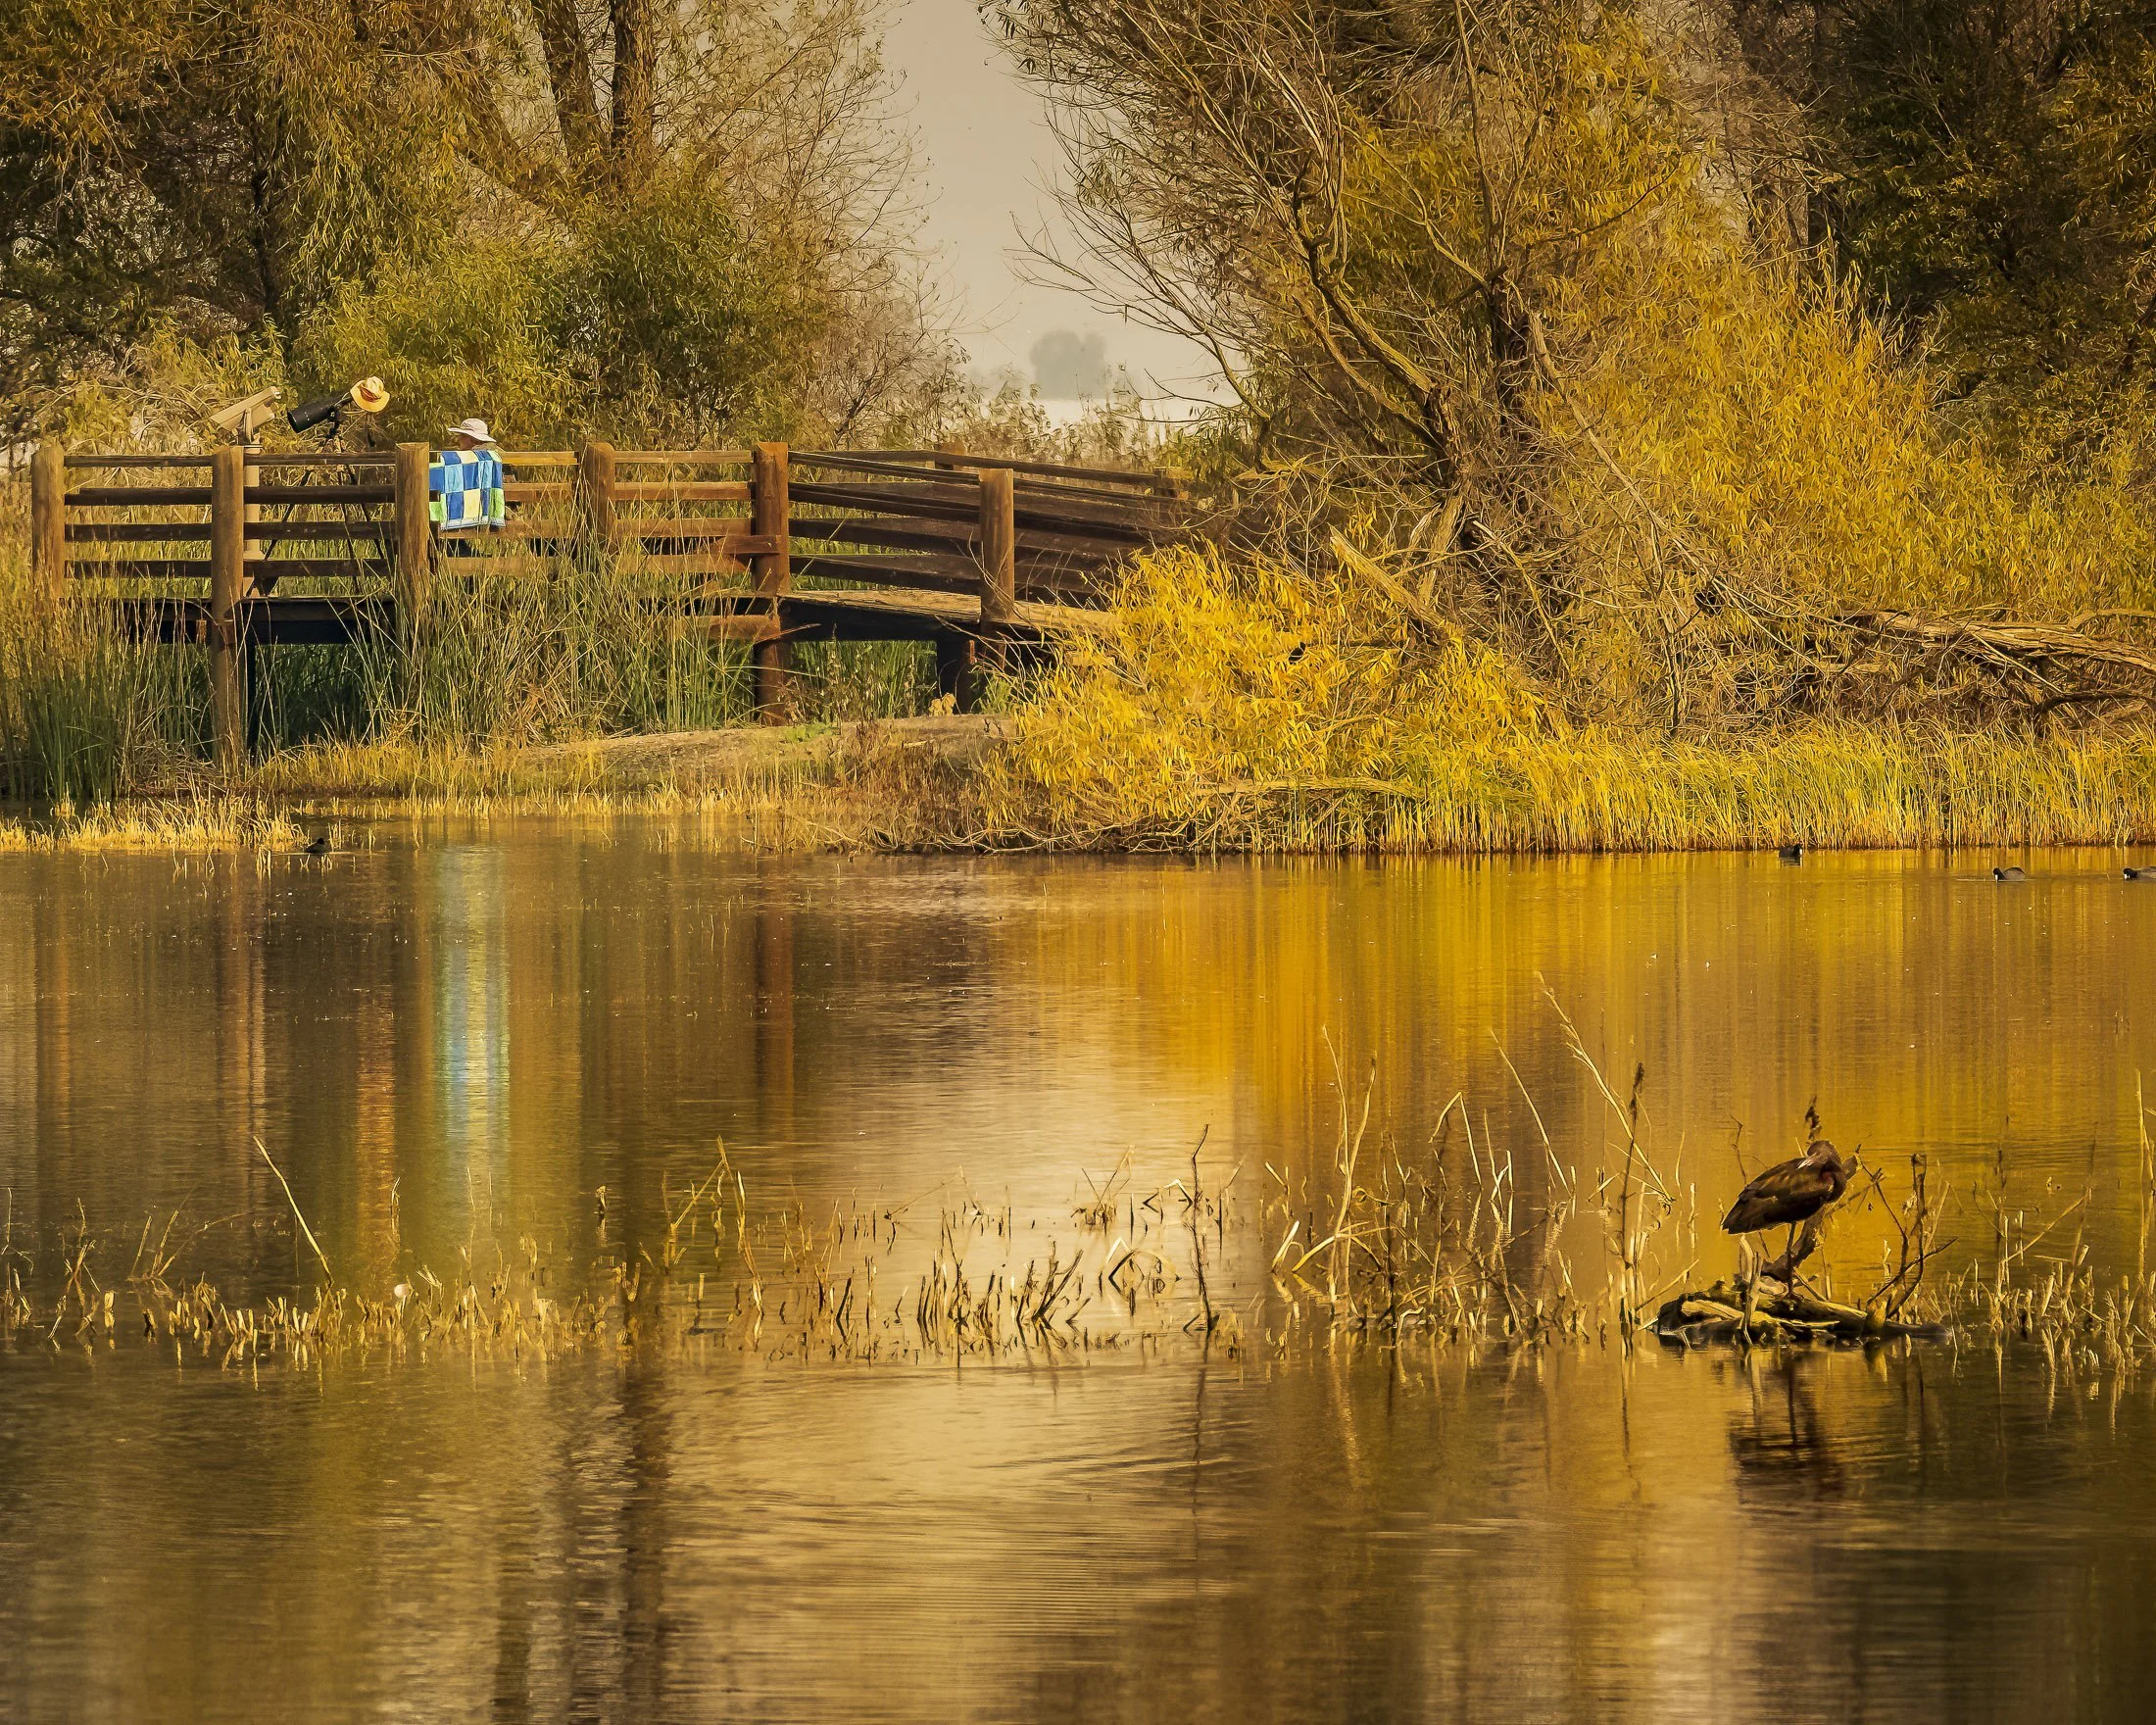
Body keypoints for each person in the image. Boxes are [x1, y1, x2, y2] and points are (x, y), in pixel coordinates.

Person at [430, 417, 506, 551]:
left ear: (472, 439)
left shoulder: (471, 456)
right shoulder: (497, 453)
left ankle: (457, 552)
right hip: (499, 504)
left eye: (462, 436)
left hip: (479, 506)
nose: (459, 440)